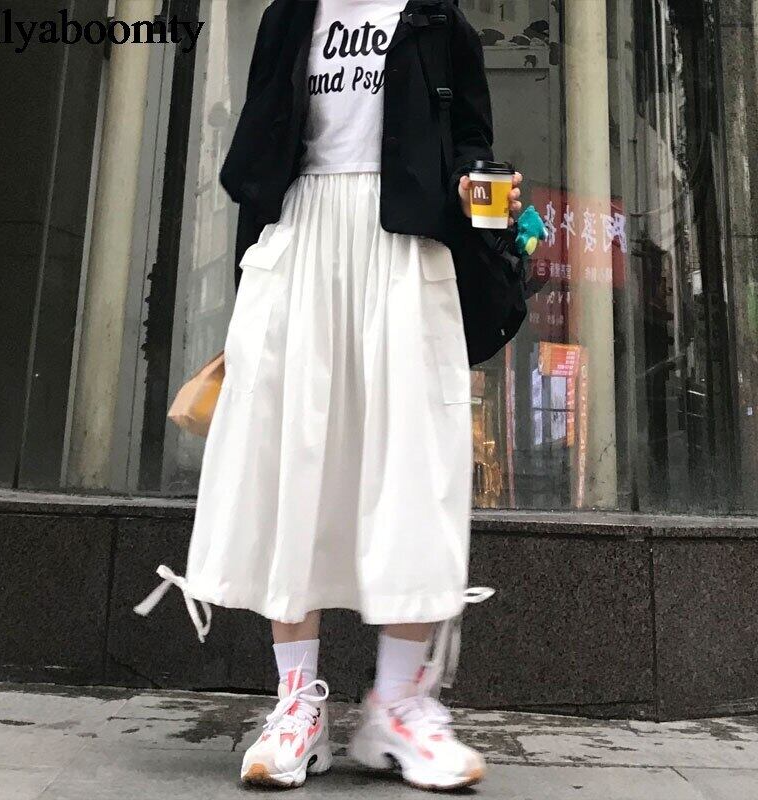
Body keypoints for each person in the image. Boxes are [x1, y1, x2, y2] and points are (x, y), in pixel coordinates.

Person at [135, 0, 523, 790]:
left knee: (413, 464)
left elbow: (470, 141)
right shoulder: (289, 17)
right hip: (303, 237)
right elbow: (260, 155)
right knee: (293, 459)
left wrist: (481, 188)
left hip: (406, 247)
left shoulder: (438, 22)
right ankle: (296, 706)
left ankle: (398, 706)